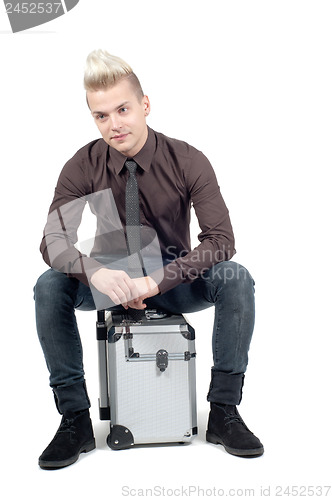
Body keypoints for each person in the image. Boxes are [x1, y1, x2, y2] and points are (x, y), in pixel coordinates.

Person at [34, 49, 264, 470]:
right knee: (50, 285)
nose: (114, 124)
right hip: (110, 287)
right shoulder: (82, 164)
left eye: (122, 109)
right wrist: (97, 272)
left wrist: (155, 282)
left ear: (144, 105)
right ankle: (75, 420)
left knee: (236, 277)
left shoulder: (188, 159)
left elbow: (221, 240)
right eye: (101, 116)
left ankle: (224, 413)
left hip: (174, 284)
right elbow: (53, 241)